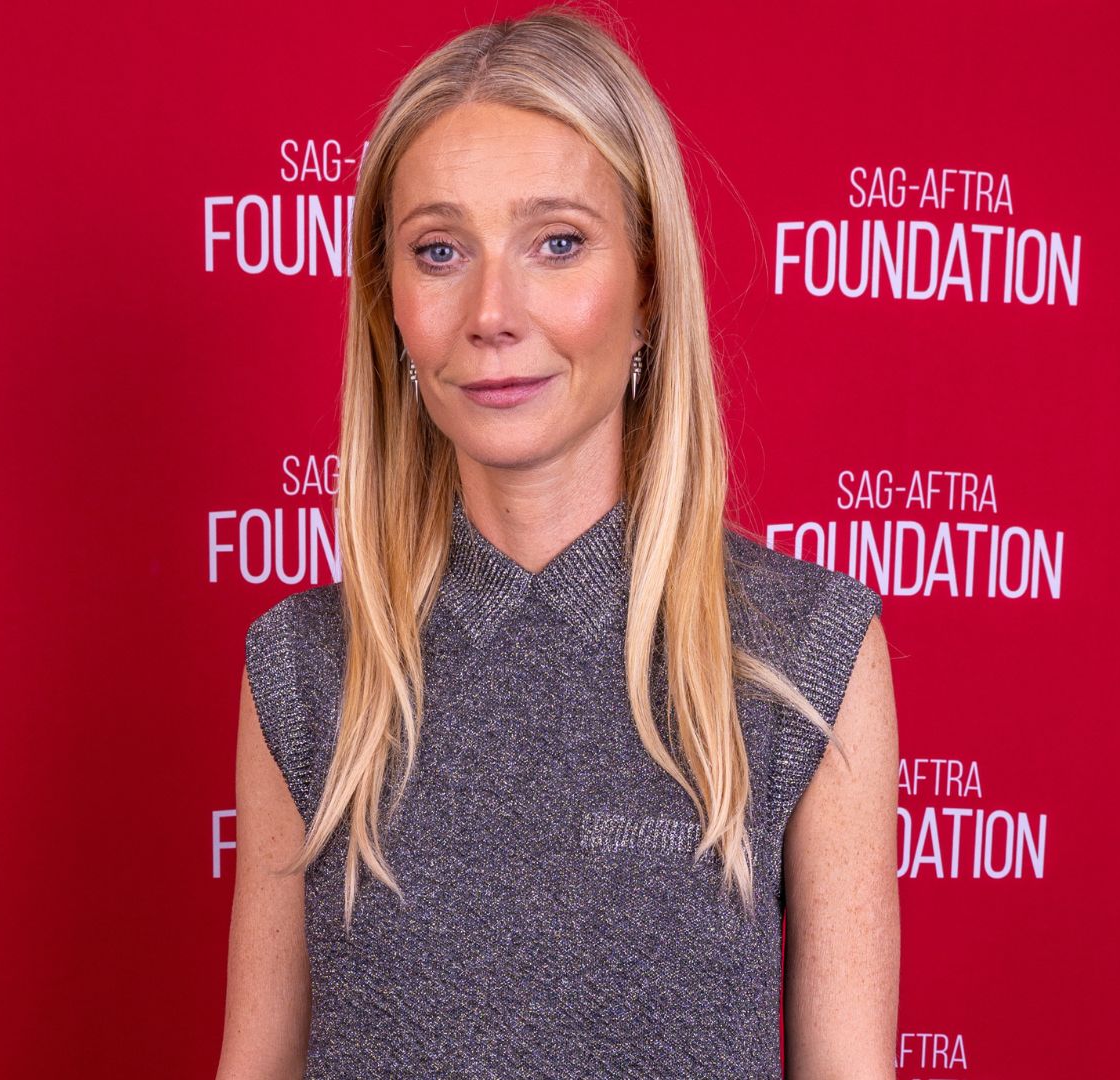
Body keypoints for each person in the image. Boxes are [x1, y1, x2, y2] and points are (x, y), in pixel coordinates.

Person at [220, 6, 898, 1076]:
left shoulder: (800, 650)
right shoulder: (307, 666)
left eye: (558, 243)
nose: (493, 310)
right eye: (439, 250)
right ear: (388, 305)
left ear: (651, 287)